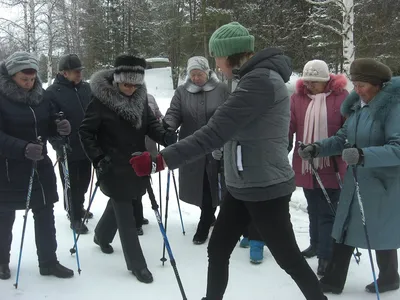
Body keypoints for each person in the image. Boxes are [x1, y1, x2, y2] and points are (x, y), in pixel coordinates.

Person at [130, 22, 328, 300]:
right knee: (219, 247)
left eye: (217, 57)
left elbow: (215, 131)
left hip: (264, 186)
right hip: (242, 183)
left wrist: (159, 160)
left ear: (230, 54)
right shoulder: (249, 79)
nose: (217, 64)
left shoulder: (259, 82)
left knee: (289, 259)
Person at [298, 58, 400, 294]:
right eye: (355, 84)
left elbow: (397, 147)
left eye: (362, 84)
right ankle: (334, 280)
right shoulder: (358, 108)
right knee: (344, 228)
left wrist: (363, 155)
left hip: (382, 184)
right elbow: (342, 139)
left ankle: (388, 277)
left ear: (378, 85)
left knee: (378, 231)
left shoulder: (392, 108)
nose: (358, 90)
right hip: (357, 180)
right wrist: (317, 148)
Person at [79, 54, 176, 283]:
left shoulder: (141, 99)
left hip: (137, 163)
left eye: (135, 84)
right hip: (112, 166)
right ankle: (137, 265)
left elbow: (151, 126)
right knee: (126, 212)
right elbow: (85, 132)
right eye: (126, 84)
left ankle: (101, 236)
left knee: (123, 202)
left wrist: (167, 137)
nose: (131, 89)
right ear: (116, 80)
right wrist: (99, 158)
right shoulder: (101, 101)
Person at [0, 51, 74, 280]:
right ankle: (1, 261)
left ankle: (48, 262)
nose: (29, 83)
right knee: (4, 217)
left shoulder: (41, 96)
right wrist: (21, 148)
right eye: (24, 79)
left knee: (44, 213)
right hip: (7, 169)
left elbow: (49, 122)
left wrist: (59, 127)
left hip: (39, 166)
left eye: (32, 79)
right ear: (12, 75)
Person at [289, 59, 348, 275]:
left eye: (315, 81)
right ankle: (315, 244)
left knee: (327, 212)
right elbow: (289, 125)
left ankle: (326, 255)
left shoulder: (342, 98)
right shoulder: (297, 98)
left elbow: (348, 129)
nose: (310, 85)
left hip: (332, 163)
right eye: (307, 81)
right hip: (305, 164)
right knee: (312, 208)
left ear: (326, 80)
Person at [163, 56, 229, 244]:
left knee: (213, 184)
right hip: (191, 146)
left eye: (199, 74)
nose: (196, 78)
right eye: (192, 74)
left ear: (208, 72)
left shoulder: (222, 90)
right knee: (200, 185)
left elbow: (229, 116)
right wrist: (168, 127)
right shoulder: (182, 91)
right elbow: (174, 112)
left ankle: (205, 222)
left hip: (216, 145)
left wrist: (225, 141)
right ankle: (208, 215)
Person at [45, 54, 93, 234]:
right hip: (68, 145)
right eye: (75, 72)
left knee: (85, 180)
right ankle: (74, 216)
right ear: (64, 73)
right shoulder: (52, 92)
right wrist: (57, 142)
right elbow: (48, 122)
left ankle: (79, 206)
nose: (79, 74)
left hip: (87, 144)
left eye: (80, 71)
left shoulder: (86, 88)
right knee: (71, 182)